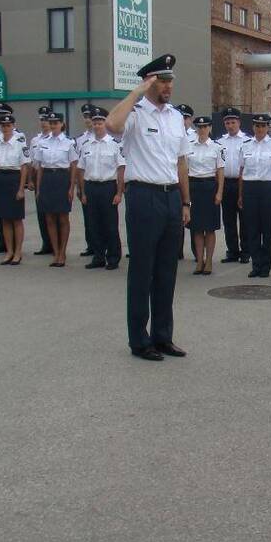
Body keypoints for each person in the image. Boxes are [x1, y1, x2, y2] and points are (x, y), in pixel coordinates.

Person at [105, 53, 191, 361]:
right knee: (142, 271)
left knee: (167, 272)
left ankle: (163, 336)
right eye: (163, 81)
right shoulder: (135, 113)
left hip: (170, 198)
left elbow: (181, 162)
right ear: (150, 82)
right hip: (143, 196)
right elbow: (112, 124)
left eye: (170, 81)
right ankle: (139, 341)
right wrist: (136, 92)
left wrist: (185, 201)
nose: (169, 86)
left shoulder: (176, 117)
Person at [77, 106, 124, 270]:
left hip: (108, 188)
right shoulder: (86, 145)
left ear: (106, 124)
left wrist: (119, 192)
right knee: (93, 224)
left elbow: (121, 169)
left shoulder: (114, 145)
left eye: (100, 122)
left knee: (110, 225)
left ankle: (113, 257)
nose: (97, 126)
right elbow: (81, 169)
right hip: (91, 187)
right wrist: (82, 192)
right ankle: (98, 256)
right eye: (95, 123)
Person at [238, 114, 271, 278]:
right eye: (257, 126)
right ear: (253, 127)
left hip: (268, 188)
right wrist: (241, 195)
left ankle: (266, 266)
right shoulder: (245, 146)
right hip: (250, 188)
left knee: (268, 229)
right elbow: (242, 171)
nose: (260, 129)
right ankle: (256, 264)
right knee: (252, 229)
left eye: (263, 126)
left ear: (267, 128)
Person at [35, 112, 78, 268]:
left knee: (62, 218)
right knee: (50, 218)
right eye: (51, 123)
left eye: (56, 123)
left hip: (61, 178)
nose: (53, 126)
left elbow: (73, 166)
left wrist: (71, 187)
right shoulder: (43, 142)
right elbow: (39, 167)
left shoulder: (69, 142)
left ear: (62, 124)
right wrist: (39, 187)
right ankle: (55, 252)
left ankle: (63, 252)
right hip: (47, 178)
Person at [0, 113, 29, 266]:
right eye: (3, 126)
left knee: (16, 219)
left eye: (8, 125)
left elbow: (24, 167)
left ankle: (18, 252)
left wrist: (21, 188)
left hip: (14, 179)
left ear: (13, 126)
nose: (6, 128)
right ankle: (9, 251)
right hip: (0, 180)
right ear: (0, 127)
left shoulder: (20, 143)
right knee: (4, 219)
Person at [186, 116, 224, 275]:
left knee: (209, 228)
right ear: (196, 129)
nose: (202, 130)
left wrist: (219, 192)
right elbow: (184, 171)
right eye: (199, 127)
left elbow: (220, 171)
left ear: (210, 128)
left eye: (205, 127)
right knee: (196, 228)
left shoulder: (217, 147)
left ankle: (209, 262)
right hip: (193, 186)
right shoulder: (188, 146)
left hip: (210, 187)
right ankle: (199, 260)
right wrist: (185, 195)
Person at [218, 106, 250, 264]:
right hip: (226, 183)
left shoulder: (247, 141)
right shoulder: (220, 142)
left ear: (239, 122)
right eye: (227, 122)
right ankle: (232, 251)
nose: (230, 125)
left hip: (242, 183)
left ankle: (245, 251)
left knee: (244, 220)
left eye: (233, 122)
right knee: (228, 219)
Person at [29, 106, 54, 256]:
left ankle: (55, 244)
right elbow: (32, 163)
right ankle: (46, 243)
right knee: (41, 213)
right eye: (42, 120)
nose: (44, 123)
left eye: (46, 120)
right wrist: (30, 181)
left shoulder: (57, 138)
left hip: (52, 176)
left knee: (54, 213)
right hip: (39, 177)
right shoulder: (35, 140)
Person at [176, 103, 198, 261]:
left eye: (186, 117)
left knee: (193, 217)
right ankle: (177, 251)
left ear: (191, 120)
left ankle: (197, 252)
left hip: (192, 179)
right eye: (180, 117)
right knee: (175, 218)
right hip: (174, 180)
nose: (183, 120)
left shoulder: (197, 136)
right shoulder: (171, 133)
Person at [75, 103, 96, 259]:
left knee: (103, 219)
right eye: (85, 117)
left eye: (90, 117)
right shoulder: (80, 139)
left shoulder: (104, 136)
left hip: (102, 181)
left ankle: (105, 247)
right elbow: (78, 165)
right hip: (86, 182)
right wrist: (78, 186)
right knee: (88, 218)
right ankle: (92, 245)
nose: (88, 120)